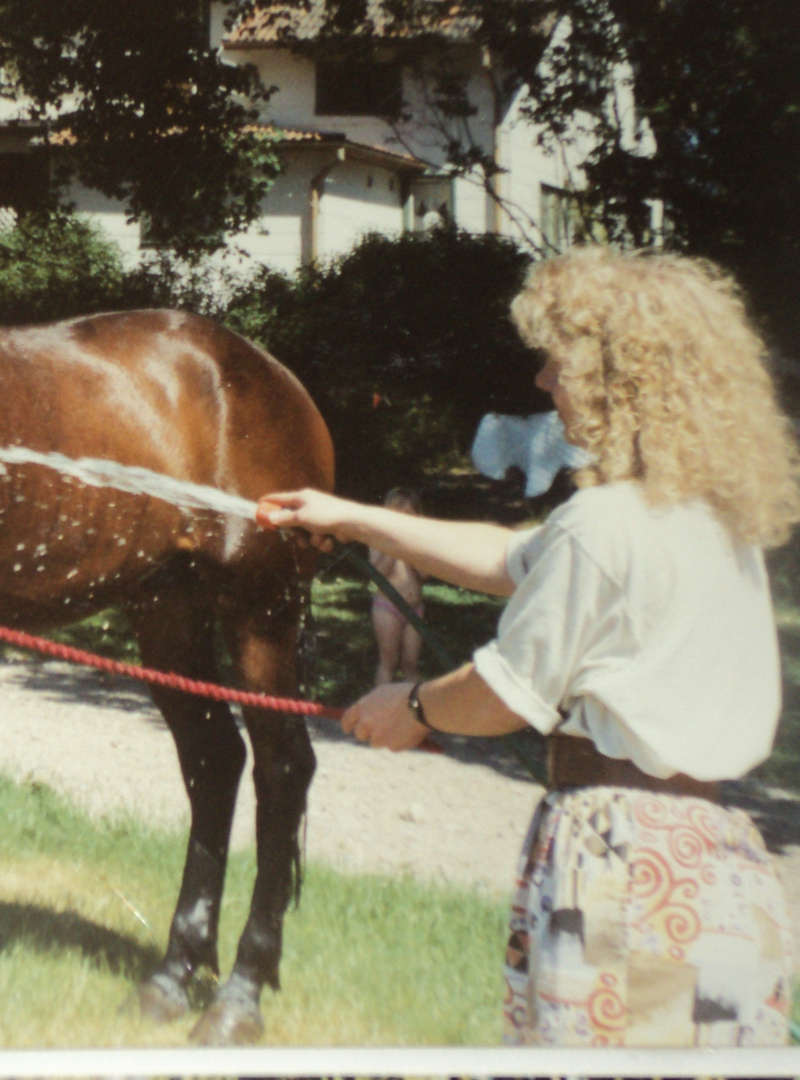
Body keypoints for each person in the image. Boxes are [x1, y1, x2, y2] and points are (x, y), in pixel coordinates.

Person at [258, 246, 800, 1047]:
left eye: (557, 363)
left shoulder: (604, 526)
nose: (544, 382)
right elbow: (507, 558)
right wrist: (348, 517)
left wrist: (409, 706)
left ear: (624, 376)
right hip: (723, 867)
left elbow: (505, 694)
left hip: (618, 863)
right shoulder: (712, 525)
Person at [369, 487, 425, 688]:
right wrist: (394, 547)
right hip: (388, 607)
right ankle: (379, 711)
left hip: (414, 608)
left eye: (408, 515)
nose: (403, 521)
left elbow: (425, 574)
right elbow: (378, 574)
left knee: (410, 664)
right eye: (397, 515)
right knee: (388, 662)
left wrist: (410, 548)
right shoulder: (379, 538)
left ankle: (413, 712)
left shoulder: (419, 540)